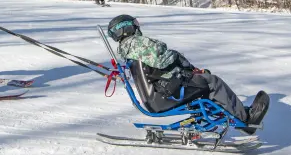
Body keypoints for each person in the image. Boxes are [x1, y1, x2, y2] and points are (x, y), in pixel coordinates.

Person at [107, 14, 269, 133]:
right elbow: (161, 60)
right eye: (135, 23)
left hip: (158, 94)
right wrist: (178, 58)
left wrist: (187, 70)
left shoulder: (127, 49)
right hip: (166, 94)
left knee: (204, 78)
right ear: (126, 27)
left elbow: (157, 67)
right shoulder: (137, 43)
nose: (137, 26)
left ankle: (232, 111)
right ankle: (246, 120)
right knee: (213, 82)